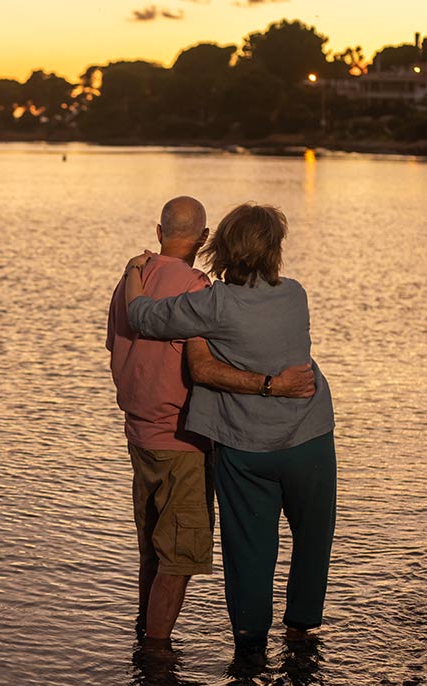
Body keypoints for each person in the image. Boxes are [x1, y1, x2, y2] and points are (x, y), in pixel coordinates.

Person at [122, 202, 336, 656]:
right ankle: (300, 629)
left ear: (219, 248)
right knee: (313, 535)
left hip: (246, 446)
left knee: (249, 548)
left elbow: (141, 317)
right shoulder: (295, 294)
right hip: (309, 436)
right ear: (274, 250)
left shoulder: (211, 304)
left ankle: (250, 641)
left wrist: (135, 273)